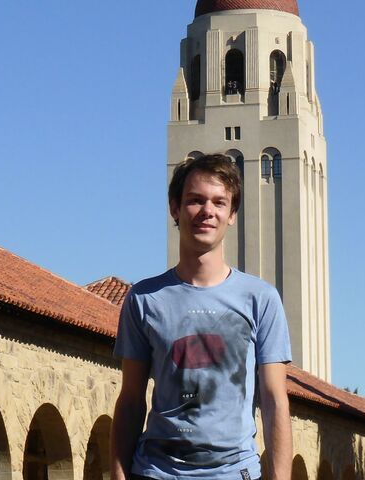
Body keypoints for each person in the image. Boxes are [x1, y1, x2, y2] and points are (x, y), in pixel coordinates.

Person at [110, 154, 293, 480]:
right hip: (155, 472)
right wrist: (119, 474)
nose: (208, 211)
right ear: (174, 208)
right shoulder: (144, 299)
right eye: (195, 200)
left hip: (234, 473)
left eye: (219, 202)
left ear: (232, 214)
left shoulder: (261, 300)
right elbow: (130, 400)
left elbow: (274, 401)